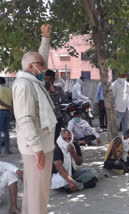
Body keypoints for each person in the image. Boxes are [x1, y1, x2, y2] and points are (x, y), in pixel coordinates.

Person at [12, 24, 57, 214]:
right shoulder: (24, 85)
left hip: (40, 145)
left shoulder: (32, 79)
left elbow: (40, 57)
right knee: (39, 193)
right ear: (31, 68)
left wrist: (45, 38)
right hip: (37, 147)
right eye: (41, 65)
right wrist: (38, 149)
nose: (45, 68)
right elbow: (25, 119)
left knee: (33, 190)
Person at [44, 69, 67, 142]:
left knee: (56, 137)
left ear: (53, 79)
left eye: (50, 79)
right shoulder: (41, 89)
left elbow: (64, 99)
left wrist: (53, 90)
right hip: (45, 117)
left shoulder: (58, 89)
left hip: (57, 116)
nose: (48, 81)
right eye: (46, 79)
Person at [0, 77, 13, 154]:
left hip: (0, 111)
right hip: (8, 112)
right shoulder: (9, 90)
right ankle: (7, 149)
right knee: (6, 131)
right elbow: (12, 101)